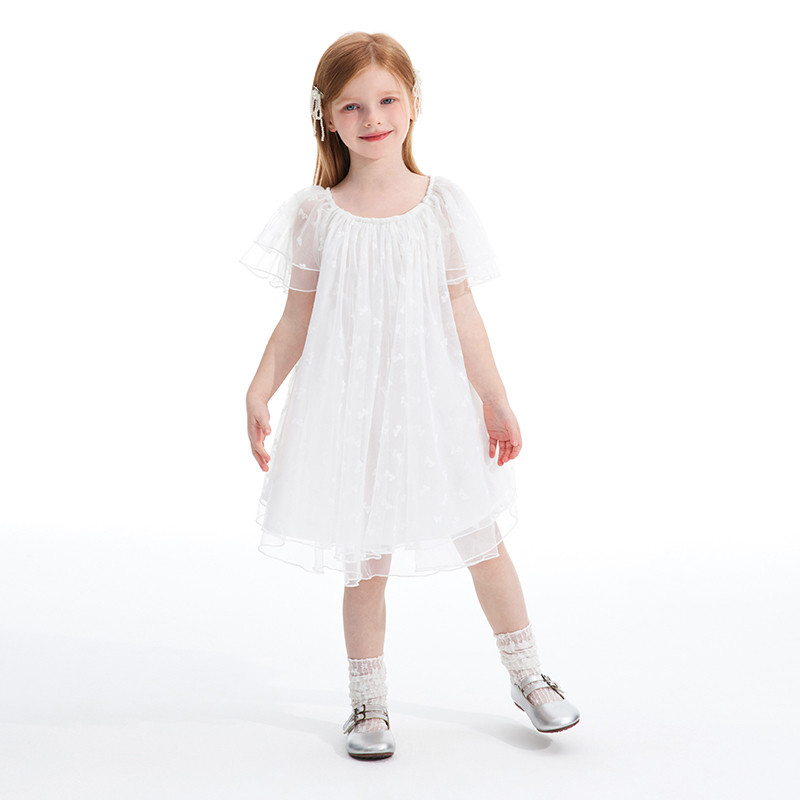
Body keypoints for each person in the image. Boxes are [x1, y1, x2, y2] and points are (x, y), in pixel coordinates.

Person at [240, 31, 580, 760]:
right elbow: (296, 317)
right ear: (326, 116)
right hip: (353, 412)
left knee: (484, 542)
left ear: (414, 103)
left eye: (387, 100)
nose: (373, 118)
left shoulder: (440, 205)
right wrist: (260, 387)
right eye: (352, 106)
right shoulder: (316, 214)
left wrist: (495, 398)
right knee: (366, 563)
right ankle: (368, 704)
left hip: (434, 406)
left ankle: (529, 676)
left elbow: (462, 310)